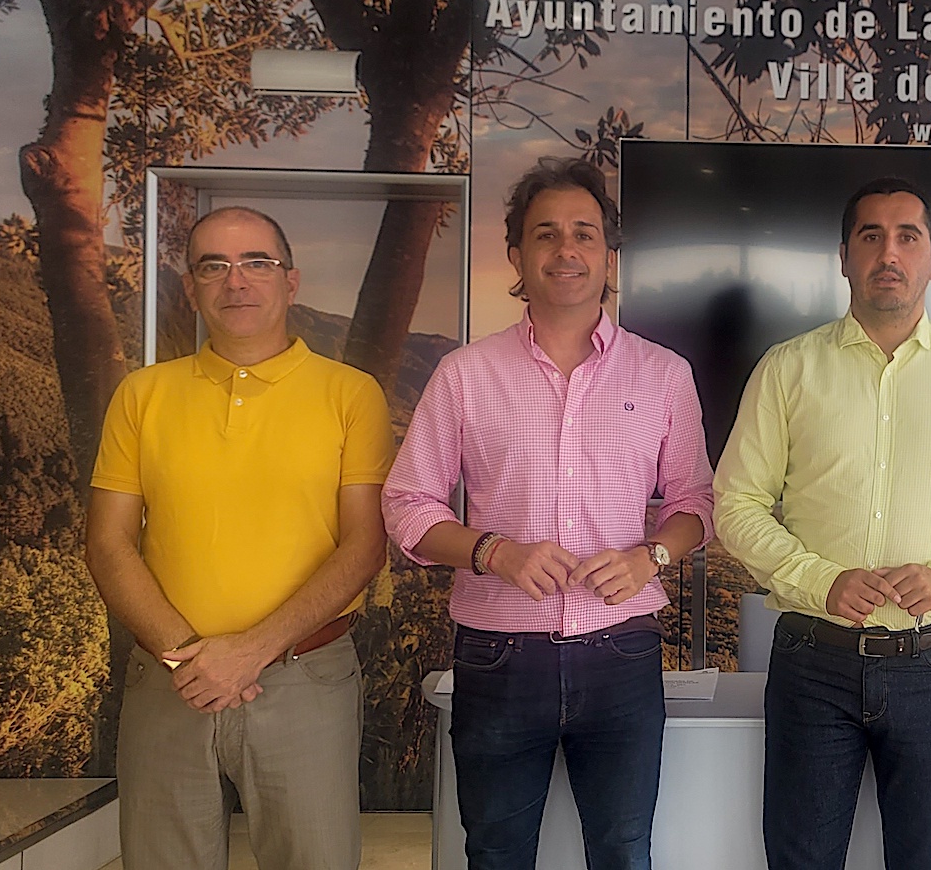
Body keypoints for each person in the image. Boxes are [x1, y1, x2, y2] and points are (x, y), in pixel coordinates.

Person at [381, 156, 713, 870]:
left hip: (622, 652)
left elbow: (695, 503)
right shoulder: (466, 374)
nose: (567, 250)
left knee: (622, 852)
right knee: (495, 853)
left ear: (608, 255)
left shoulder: (664, 374)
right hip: (498, 656)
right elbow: (407, 505)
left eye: (584, 234)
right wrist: (492, 551)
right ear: (517, 256)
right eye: (546, 234)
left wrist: (651, 556)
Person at [713, 176, 931, 870]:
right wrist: (819, 580)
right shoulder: (787, 369)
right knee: (801, 859)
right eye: (870, 236)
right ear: (843, 257)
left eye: (907, 237)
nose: (888, 253)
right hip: (813, 661)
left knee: (926, 858)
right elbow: (736, 502)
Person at [87, 206, 394, 869]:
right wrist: (189, 660)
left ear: (291, 281)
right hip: (169, 680)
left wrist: (251, 651)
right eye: (213, 266)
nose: (236, 280)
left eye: (257, 262)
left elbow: (365, 545)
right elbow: (107, 544)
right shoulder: (141, 395)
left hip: (304, 678)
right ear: (191, 288)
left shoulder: (351, 394)